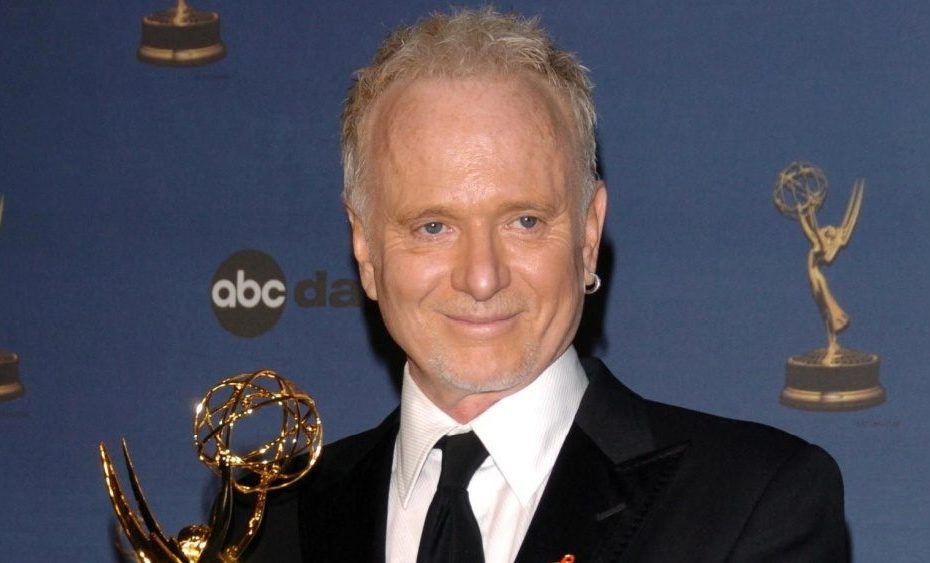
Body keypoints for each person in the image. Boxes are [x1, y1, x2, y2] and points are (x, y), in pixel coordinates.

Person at [236, 8, 849, 562]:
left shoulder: (751, 501)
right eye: (433, 226)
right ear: (365, 249)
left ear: (588, 236)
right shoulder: (268, 521)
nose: (482, 277)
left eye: (524, 221)